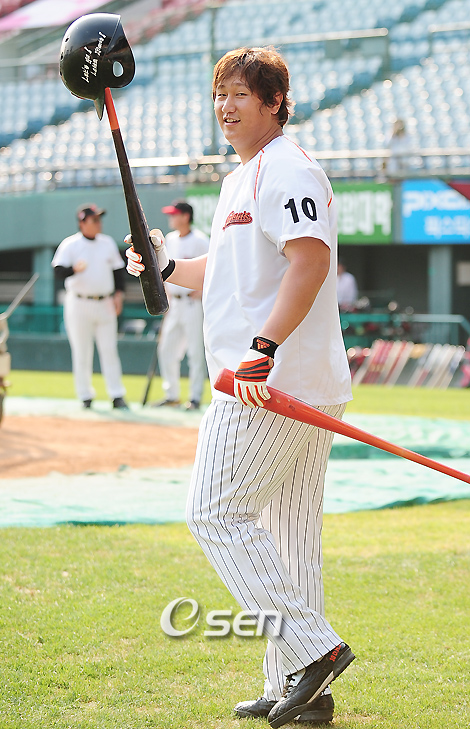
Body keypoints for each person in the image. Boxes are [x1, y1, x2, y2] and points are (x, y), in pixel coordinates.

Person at [126, 47, 355, 728]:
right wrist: (165, 265)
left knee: (214, 513)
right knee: (289, 539)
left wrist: (264, 347)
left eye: (240, 95)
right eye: (219, 95)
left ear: (276, 103)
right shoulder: (242, 178)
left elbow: (310, 260)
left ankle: (315, 651)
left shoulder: (287, 168)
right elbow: (224, 273)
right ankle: (300, 689)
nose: (226, 107)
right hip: (292, 380)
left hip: (267, 382)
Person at [52, 203, 129, 410]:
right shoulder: (71, 244)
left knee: (109, 350)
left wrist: (119, 295)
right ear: (82, 222)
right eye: (94, 219)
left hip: (105, 302)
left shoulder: (107, 243)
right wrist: (73, 270)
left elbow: (118, 272)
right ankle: (85, 395)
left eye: (99, 219)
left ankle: (116, 395)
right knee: (81, 351)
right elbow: (58, 271)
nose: (98, 223)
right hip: (79, 302)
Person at [154, 200, 209, 410]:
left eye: (175, 214)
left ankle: (194, 397)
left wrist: (202, 290)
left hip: (193, 302)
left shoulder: (200, 240)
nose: (171, 217)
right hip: (174, 303)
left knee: (195, 352)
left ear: (186, 216)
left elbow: (213, 267)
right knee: (166, 349)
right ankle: (172, 395)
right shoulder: (169, 239)